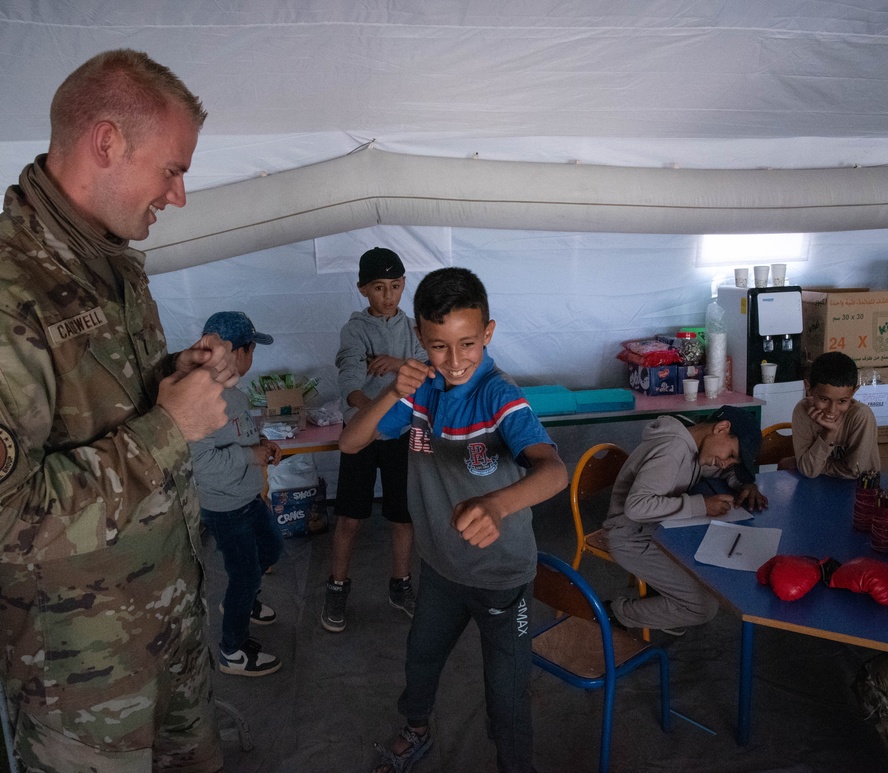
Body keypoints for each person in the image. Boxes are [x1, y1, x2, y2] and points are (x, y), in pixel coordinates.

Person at [0, 50, 240, 772]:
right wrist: (169, 426)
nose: (179, 195)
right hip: (82, 682)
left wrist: (178, 379)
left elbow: (98, 407)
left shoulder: (104, 262)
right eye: (172, 169)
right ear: (107, 142)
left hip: (165, 632)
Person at [338, 267, 568, 773]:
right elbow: (351, 442)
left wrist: (497, 505)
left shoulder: (499, 396)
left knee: (507, 694)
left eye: (468, 343)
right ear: (420, 338)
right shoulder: (418, 391)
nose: (456, 360)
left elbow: (554, 471)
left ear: (488, 333)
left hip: (500, 578)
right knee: (420, 661)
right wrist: (391, 391)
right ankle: (416, 729)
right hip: (440, 568)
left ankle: (516, 764)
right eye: (439, 346)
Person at [322, 247, 427, 633]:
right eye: (379, 287)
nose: (388, 296)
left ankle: (400, 586)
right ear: (362, 289)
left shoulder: (414, 329)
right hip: (363, 435)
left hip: (402, 432)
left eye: (395, 286)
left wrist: (400, 364)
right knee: (350, 516)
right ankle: (336, 588)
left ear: (404, 285)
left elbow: (433, 371)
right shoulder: (355, 331)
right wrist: (370, 409)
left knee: (403, 515)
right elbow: (349, 378)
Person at [603, 406, 766, 635]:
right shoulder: (672, 450)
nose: (726, 463)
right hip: (631, 538)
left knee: (715, 566)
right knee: (703, 607)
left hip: (659, 530)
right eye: (730, 455)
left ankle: (666, 602)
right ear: (721, 428)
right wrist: (702, 505)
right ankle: (614, 613)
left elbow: (716, 471)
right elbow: (637, 506)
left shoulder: (695, 445)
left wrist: (744, 484)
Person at [189, 312, 285, 677]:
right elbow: (201, 463)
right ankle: (232, 650)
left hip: (246, 496)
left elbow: (238, 438)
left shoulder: (235, 393)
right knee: (244, 574)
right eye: (251, 348)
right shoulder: (200, 399)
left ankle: (243, 602)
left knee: (271, 549)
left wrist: (261, 444)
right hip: (225, 507)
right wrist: (251, 455)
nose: (251, 357)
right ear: (237, 352)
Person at [787, 351, 880, 477]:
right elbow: (808, 471)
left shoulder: (861, 416)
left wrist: (818, 466)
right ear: (808, 388)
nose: (832, 410)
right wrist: (828, 434)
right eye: (824, 399)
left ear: (853, 393)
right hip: (817, 487)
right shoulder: (802, 411)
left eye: (842, 401)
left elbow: (854, 471)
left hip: (860, 491)